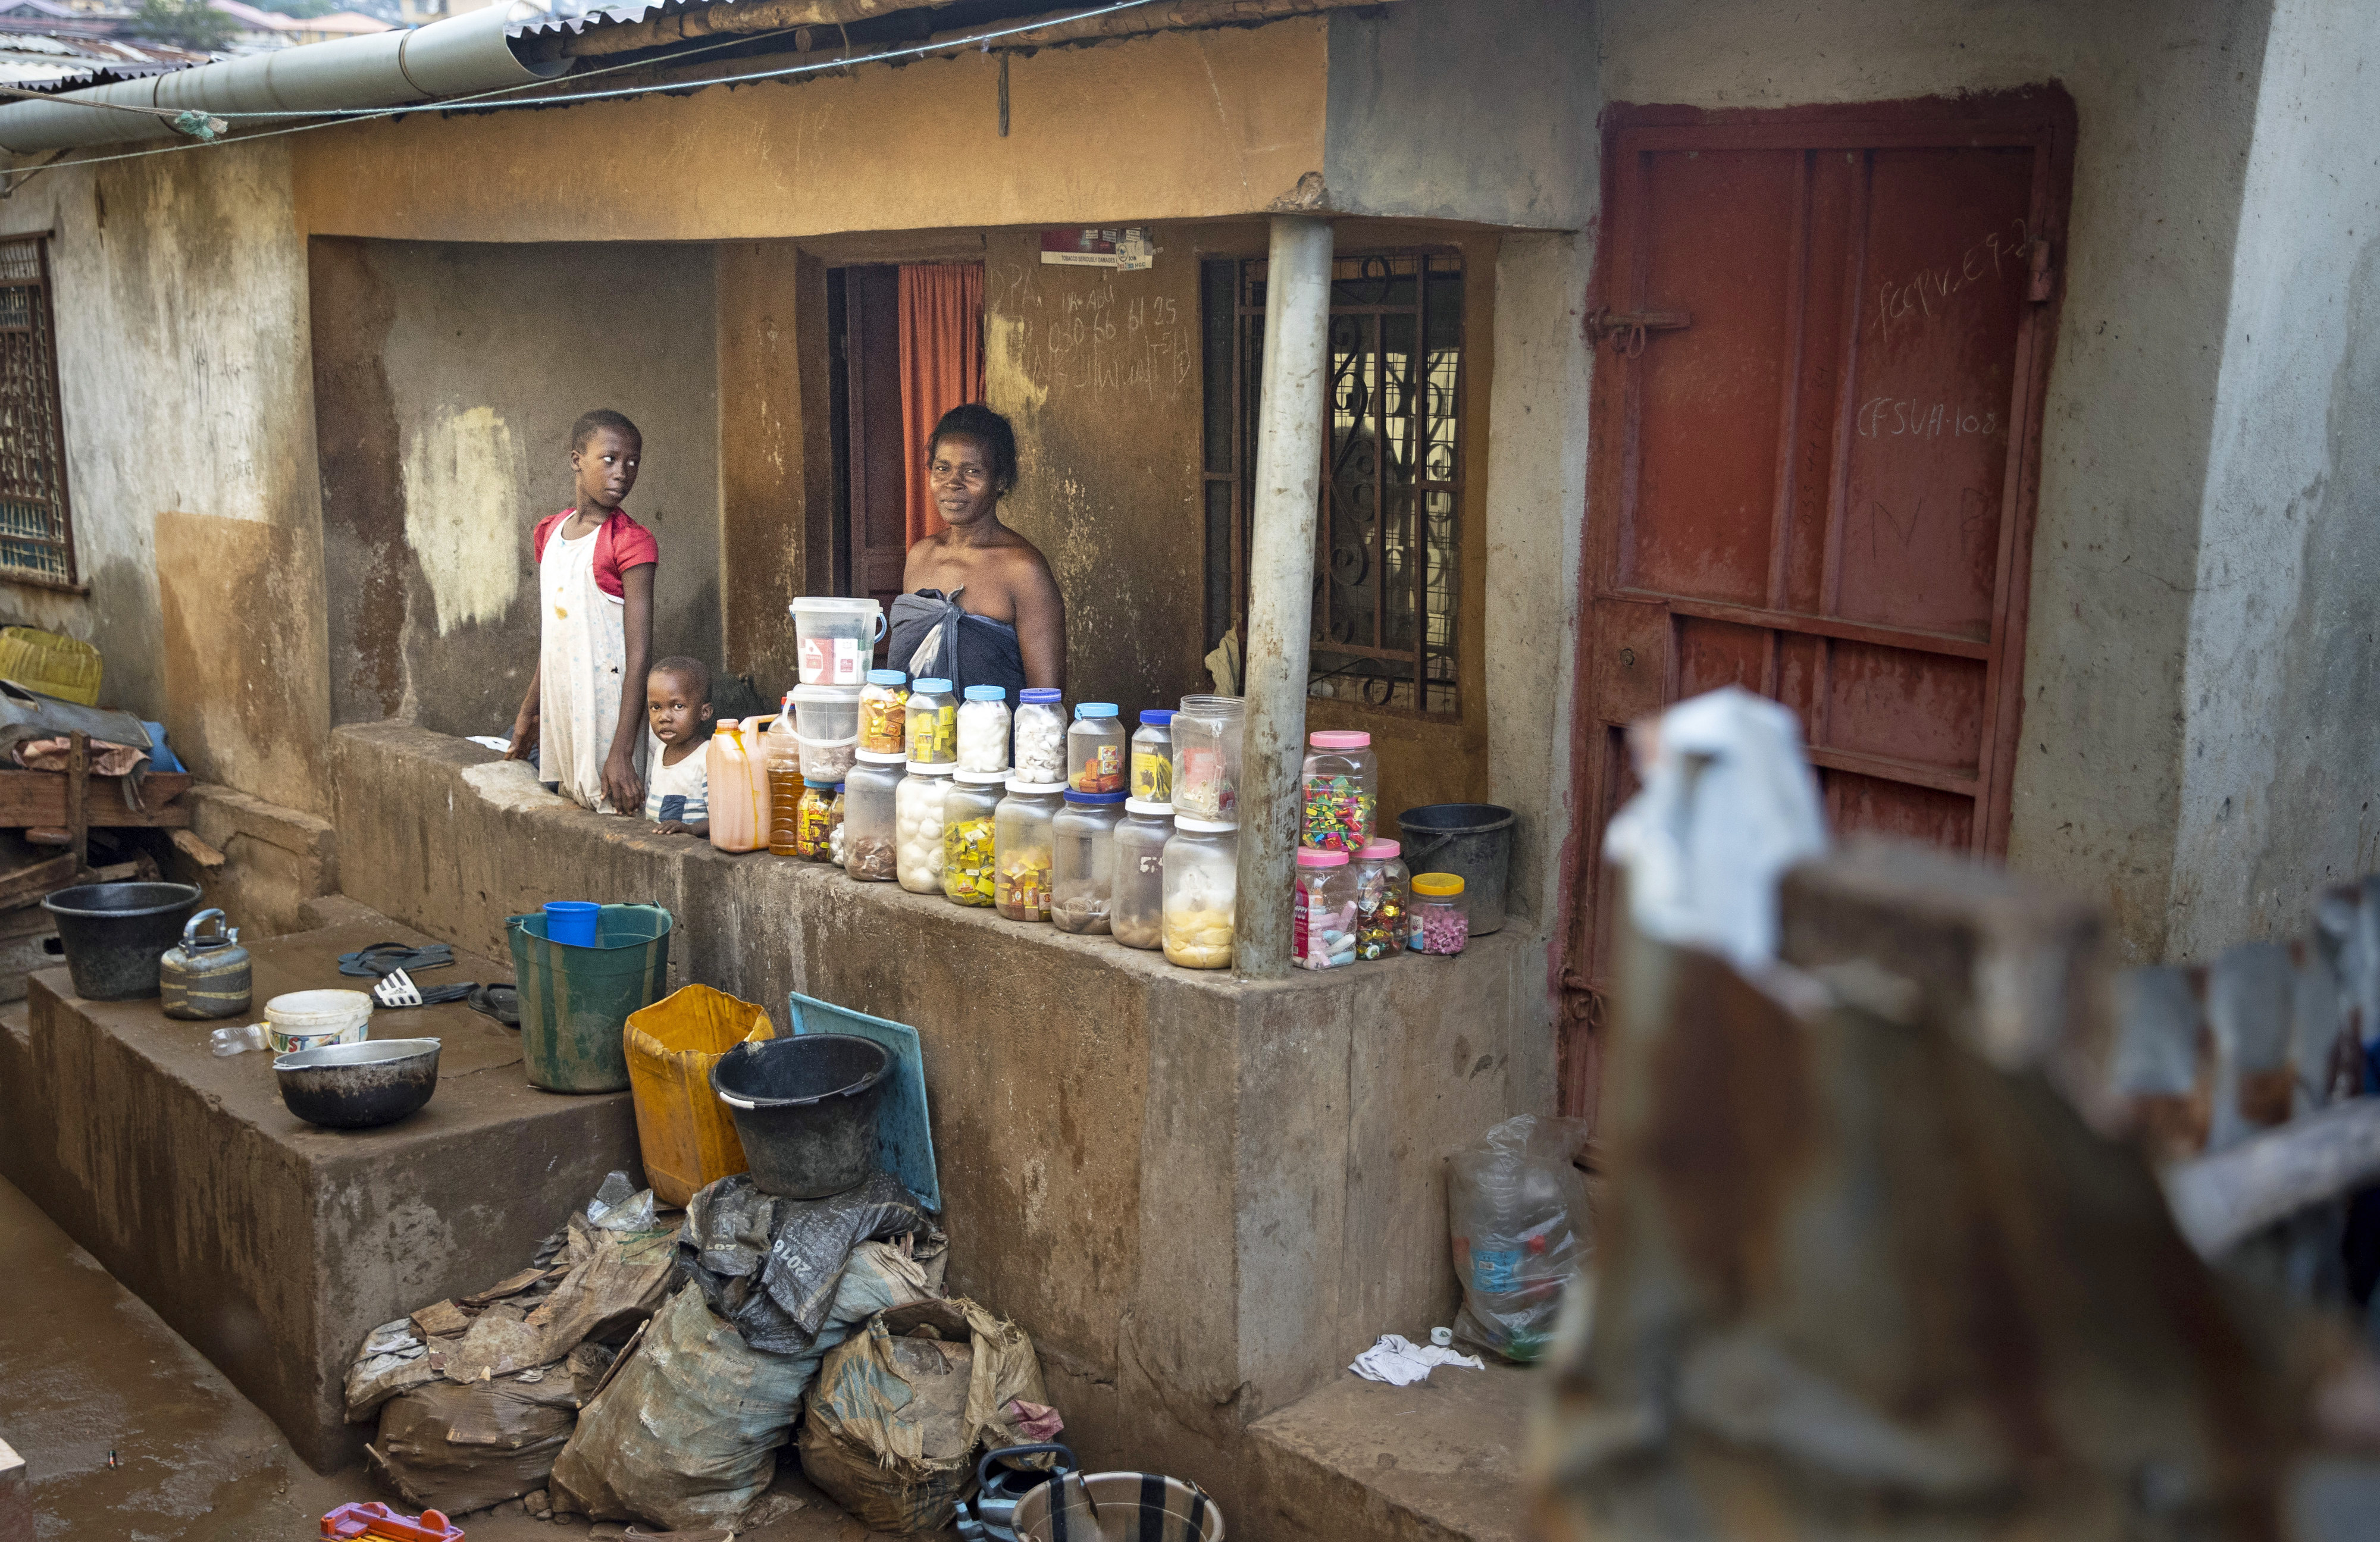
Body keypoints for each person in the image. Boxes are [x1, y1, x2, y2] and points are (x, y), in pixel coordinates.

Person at [506, 409, 658, 815]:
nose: (622, 472)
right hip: (564, 708)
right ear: (577, 459)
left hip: (609, 716)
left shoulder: (631, 543)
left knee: (613, 808)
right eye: (609, 459)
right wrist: (528, 713)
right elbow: (555, 637)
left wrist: (622, 751)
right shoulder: (550, 534)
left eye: (632, 462)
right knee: (571, 805)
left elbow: (640, 654)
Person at [889, 403, 1065, 697]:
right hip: (916, 739)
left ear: (1000, 481)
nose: (952, 483)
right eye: (942, 468)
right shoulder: (921, 557)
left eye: (972, 471)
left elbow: (1046, 703)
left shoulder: (1022, 569)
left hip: (993, 741)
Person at [643, 656, 713, 836]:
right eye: (656, 707)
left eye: (678, 706)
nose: (664, 717)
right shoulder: (660, 752)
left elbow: (725, 819)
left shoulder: (709, 757)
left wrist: (690, 830)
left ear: (704, 712)